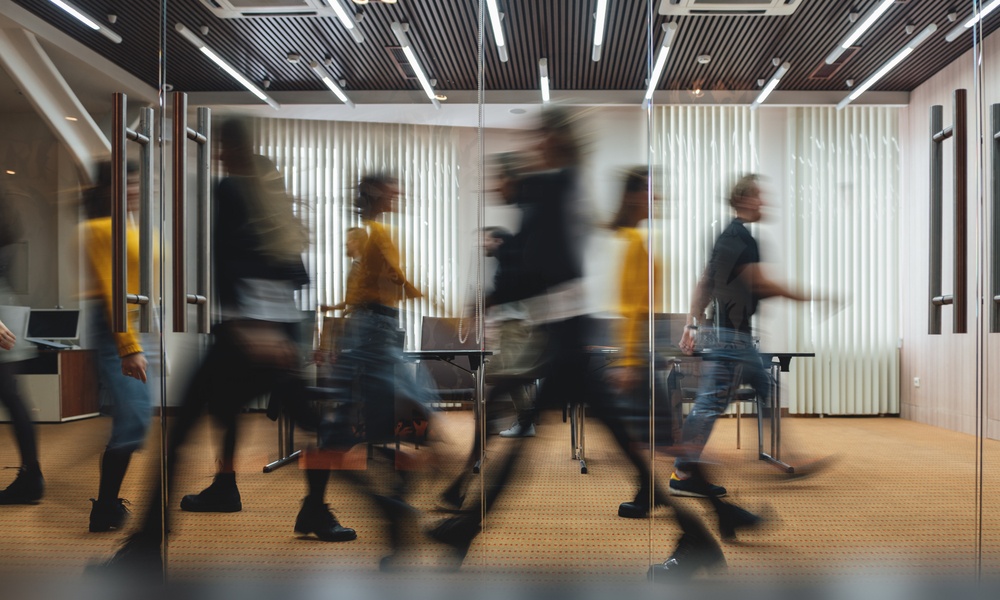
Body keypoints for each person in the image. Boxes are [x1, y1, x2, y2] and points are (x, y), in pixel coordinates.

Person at [429, 110, 736, 580]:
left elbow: (544, 264)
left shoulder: (558, 187)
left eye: (542, 136)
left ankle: (467, 527)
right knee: (606, 441)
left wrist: (490, 298)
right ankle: (700, 532)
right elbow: (545, 260)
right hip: (568, 334)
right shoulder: (564, 186)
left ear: (558, 139)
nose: (536, 144)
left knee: (540, 440)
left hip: (570, 337)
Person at [98, 118, 354, 575]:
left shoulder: (231, 190)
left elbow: (227, 266)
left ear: (232, 148)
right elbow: (300, 275)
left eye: (221, 146)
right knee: (312, 425)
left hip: (244, 335)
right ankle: (303, 505)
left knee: (180, 434)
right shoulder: (273, 200)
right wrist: (286, 333)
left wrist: (249, 324)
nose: (217, 154)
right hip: (277, 331)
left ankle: (146, 546)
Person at [672, 173, 811, 497]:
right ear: (745, 199)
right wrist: (808, 296)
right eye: (760, 196)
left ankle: (786, 455)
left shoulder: (727, 236)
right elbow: (760, 283)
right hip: (732, 337)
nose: (764, 202)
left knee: (766, 387)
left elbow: (704, 282)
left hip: (733, 335)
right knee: (710, 404)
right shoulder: (741, 238)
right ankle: (683, 472)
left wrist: (692, 324)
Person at [78, 162, 153, 530]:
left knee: (133, 418)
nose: (135, 190)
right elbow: (113, 292)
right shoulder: (101, 228)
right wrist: (128, 346)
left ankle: (106, 506)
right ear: (109, 190)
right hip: (115, 327)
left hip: (132, 325)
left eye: (138, 183)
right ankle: (105, 508)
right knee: (134, 419)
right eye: (127, 184)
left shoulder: (128, 226)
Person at [0, 192, 43, 505]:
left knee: (11, 395)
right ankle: (31, 475)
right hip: (7, 309)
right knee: (12, 396)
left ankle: (31, 476)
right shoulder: (8, 229)